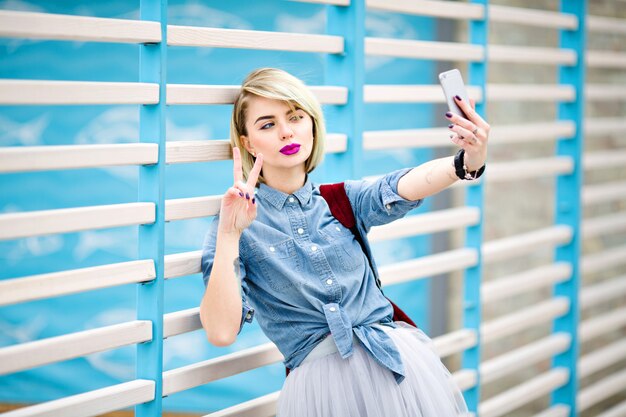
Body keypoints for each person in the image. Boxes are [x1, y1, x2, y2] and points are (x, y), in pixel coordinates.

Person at [200, 68, 489, 417]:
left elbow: (402, 185)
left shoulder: (342, 200)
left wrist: (467, 161)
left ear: (312, 124)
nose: (286, 131)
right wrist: (231, 234)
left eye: (295, 116)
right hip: (320, 391)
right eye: (267, 124)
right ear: (247, 143)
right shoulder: (237, 223)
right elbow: (220, 332)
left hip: (397, 370)